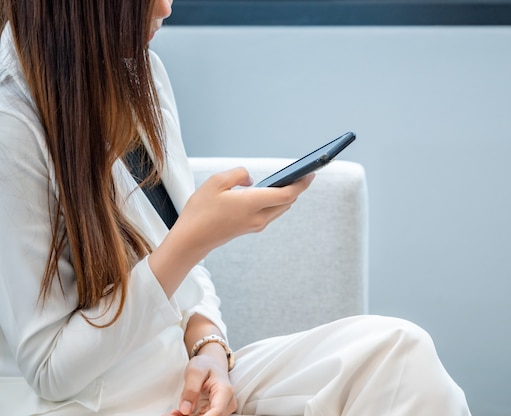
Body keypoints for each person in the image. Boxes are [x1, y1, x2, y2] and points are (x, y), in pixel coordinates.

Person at [0, 1, 471, 415]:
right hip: (87, 403)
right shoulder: (12, 121)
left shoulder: (139, 73)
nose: (165, 8)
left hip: (179, 379)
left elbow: (182, 270)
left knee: (399, 353)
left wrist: (208, 346)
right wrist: (194, 238)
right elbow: (50, 369)